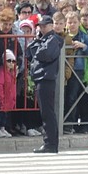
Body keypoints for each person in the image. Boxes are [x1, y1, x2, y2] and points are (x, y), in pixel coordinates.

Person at [26, 15, 63, 153]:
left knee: (48, 112)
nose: (42, 28)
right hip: (41, 77)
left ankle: (50, 143)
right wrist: (37, 43)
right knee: (45, 112)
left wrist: (37, 46)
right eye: (40, 26)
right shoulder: (42, 40)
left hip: (46, 77)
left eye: (44, 26)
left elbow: (44, 54)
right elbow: (29, 53)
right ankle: (49, 143)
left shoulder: (53, 39)